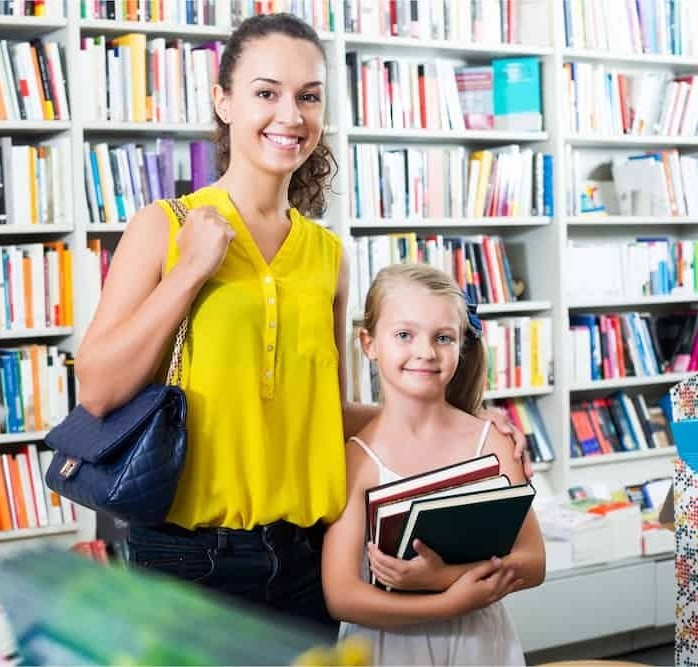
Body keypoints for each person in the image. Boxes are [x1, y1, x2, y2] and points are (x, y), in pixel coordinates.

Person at [73, 13, 531, 635]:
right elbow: (96, 390)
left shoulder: (327, 255)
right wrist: (189, 273)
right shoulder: (165, 225)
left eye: (308, 97)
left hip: (303, 561)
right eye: (266, 93)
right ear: (224, 101)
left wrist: (469, 429)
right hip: (185, 558)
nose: (290, 116)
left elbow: (327, 410)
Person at [321, 263, 546, 664]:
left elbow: (534, 562)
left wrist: (441, 579)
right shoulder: (356, 458)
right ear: (369, 343)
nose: (425, 351)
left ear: (461, 345)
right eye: (404, 335)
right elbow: (342, 596)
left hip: (478, 644)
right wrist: (447, 603)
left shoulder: (492, 442)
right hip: (388, 648)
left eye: (443, 337)